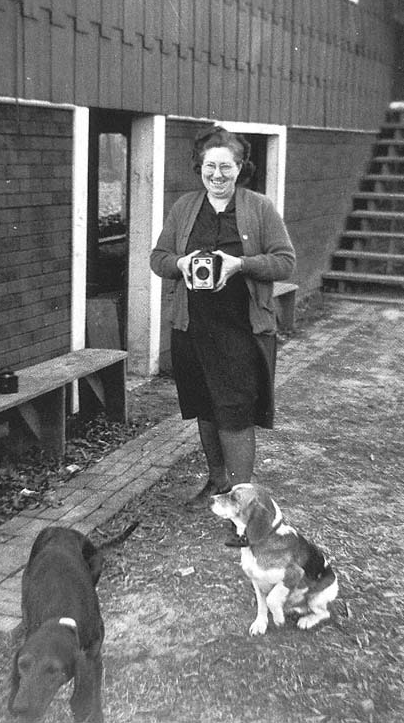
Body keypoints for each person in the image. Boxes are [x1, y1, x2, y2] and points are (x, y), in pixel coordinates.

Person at [150, 126, 296, 524]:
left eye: (226, 167)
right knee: (206, 408)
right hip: (194, 328)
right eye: (210, 166)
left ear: (240, 168)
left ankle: (244, 504)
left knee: (234, 412)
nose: (217, 175)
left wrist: (241, 265)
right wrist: (179, 264)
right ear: (200, 166)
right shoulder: (185, 207)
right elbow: (158, 257)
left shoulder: (259, 208)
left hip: (240, 331)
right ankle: (216, 484)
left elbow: (285, 261)